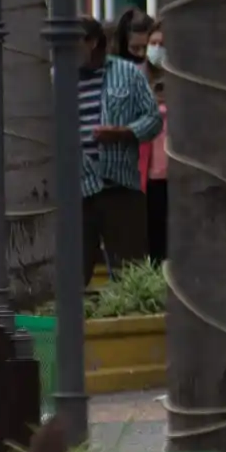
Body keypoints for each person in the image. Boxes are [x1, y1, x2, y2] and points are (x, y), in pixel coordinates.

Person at [78, 16, 163, 287]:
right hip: (75, 192)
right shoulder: (55, 78)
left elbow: (153, 120)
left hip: (120, 188)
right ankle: (66, 330)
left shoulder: (127, 73)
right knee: (70, 276)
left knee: (131, 274)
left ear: (92, 43)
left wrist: (124, 133)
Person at [139, 20, 168, 264]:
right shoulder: (137, 78)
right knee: (154, 245)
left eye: (163, 44)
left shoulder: (186, 81)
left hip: (178, 175)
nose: (157, 49)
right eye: (154, 43)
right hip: (148, 176)